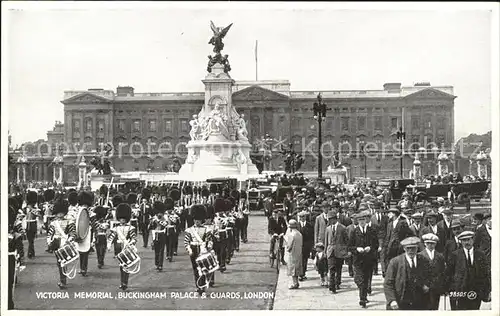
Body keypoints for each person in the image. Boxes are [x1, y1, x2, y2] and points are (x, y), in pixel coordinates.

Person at [446, 231, 491, 310]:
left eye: (468, 239)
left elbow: (486, 274)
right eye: (464, 240)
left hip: (477, 290)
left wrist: (487, 290)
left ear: (473, 240)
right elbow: (449, 274)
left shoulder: (480, 255)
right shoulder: (455, 255)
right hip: (461, 291)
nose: (467, 242)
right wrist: (452, 290)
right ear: (461, 242)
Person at [384, 236, 431, 310]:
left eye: (413, 248)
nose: (411, 251)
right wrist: (392, 300)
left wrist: (426, 285)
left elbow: (429, 276)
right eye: (408, 248)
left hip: (419, 302)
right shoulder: (395, 262)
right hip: (401, 302)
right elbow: (388, 283)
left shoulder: (423, 261)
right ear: (404, 249)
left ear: (417, 248)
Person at [349, 210, 379, 308]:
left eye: (363, 219)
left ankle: (363, 298)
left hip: (368, 259)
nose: (362, 221)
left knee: (366, 279)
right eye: (359, 220)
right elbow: (349, 246)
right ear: (357, 221)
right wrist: (357, 249)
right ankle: (363, 296)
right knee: (359, 279)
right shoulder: (354, 231)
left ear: (366, 220)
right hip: (358, 260)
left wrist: (370, 248)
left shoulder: (371, 230)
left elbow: (376, 244)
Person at [46, 198, 77, 289]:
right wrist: (49, 242)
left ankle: (63, 280)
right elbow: (50, 234)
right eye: (58, 212)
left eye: (61, 212)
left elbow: (73, 233)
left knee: (63, 262)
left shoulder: (69, 222)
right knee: (59, 263)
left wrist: (70, 239)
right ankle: (62, 279)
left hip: (65, 244)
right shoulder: (53, 223)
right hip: (56, 244)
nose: (60, 214)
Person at [184, 204, 214, 294]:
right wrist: (189, 249)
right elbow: (186, 242)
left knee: (203, 268)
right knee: (195, 269)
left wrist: (208, 247)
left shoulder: (206, 229)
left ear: (201, 220)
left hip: (202, 249)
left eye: (199, 220)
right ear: (193, 219)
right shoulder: (189, 230)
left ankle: (202, 285)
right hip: (193, 249)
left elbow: (210, 240)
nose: (197, 222)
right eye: (196, 220)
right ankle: (198, 286)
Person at [107, 203, 137, 290]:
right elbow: (111, 238)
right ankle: (122, 282)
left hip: (126, 248)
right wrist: (109, 245)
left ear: (126, 219)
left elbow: (134, 238)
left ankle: (125, 283)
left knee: (126, 265)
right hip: (118, 248)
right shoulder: (116, 228)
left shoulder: (131, 228)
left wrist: (131, 243)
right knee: (121, 266)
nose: (122, 220)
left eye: (123, 219)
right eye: (120, 219)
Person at [324, 211, 349, 293]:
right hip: (330, 251)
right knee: (331, 268)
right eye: (329, 219)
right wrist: (325, 252)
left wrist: (345, 251)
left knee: (338, 268)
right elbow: (326, 242)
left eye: (331, 219)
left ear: (335, 219)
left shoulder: (342, 228)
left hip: (340, 251)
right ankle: (332, 285)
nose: (330, 221)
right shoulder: (328, 229)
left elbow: (346, 241)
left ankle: (337, 283)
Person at [419, 233, 446, 310]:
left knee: (435, 307)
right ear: (425, 244)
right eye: (428, 243)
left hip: (436, 287)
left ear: (435, 244)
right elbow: (418, 273)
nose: (430, 245)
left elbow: (442, 272)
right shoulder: (420, 255)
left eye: (432, 243)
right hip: (424, 287)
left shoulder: (440, 256)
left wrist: (441, 286)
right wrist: (423, 284)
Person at [8, 206, 26, 309]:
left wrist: (21, 262)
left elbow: (20, 247)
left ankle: (9, 304)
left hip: (10, 258)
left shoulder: (14, 232)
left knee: (9, 283)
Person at [284, 219, 303, 289]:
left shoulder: (291, 235)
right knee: (297, 267)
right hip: (299, 253)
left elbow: (289, 246)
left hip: (293, 253)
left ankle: (295, 283)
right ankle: (297, 282)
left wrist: (286, 242)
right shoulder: (299, 234)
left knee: (293, 269)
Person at [149, 201, 167, 271]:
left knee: (161, 251)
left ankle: (160, 265)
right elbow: (150, 227)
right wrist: (152, 222)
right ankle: (157, 263)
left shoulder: (165, 218)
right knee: (156, 251)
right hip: (155, 234)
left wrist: (160, 221)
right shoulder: (153, 218)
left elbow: (166, 225)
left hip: (162, 234)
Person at [24, 190, 41, 259]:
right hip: (27, 224)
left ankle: (30, 252)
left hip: (33, 224)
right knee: (30, 240)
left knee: (31, 240)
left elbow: (38, 215)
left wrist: (32, 210)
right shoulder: (25, 209)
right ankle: (31, 252)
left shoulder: (35, 209)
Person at [297, 211, 314, 281]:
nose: (302, 218)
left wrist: (311, 247)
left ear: (305, 217)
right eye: (301, 217)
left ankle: (303, 274)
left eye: (303, 216)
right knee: (299, 260)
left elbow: (311, 237)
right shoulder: (297, 225)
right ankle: (299, 274)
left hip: (306, 246)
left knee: (305, 260)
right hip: (298, 246)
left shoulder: (309, 225)